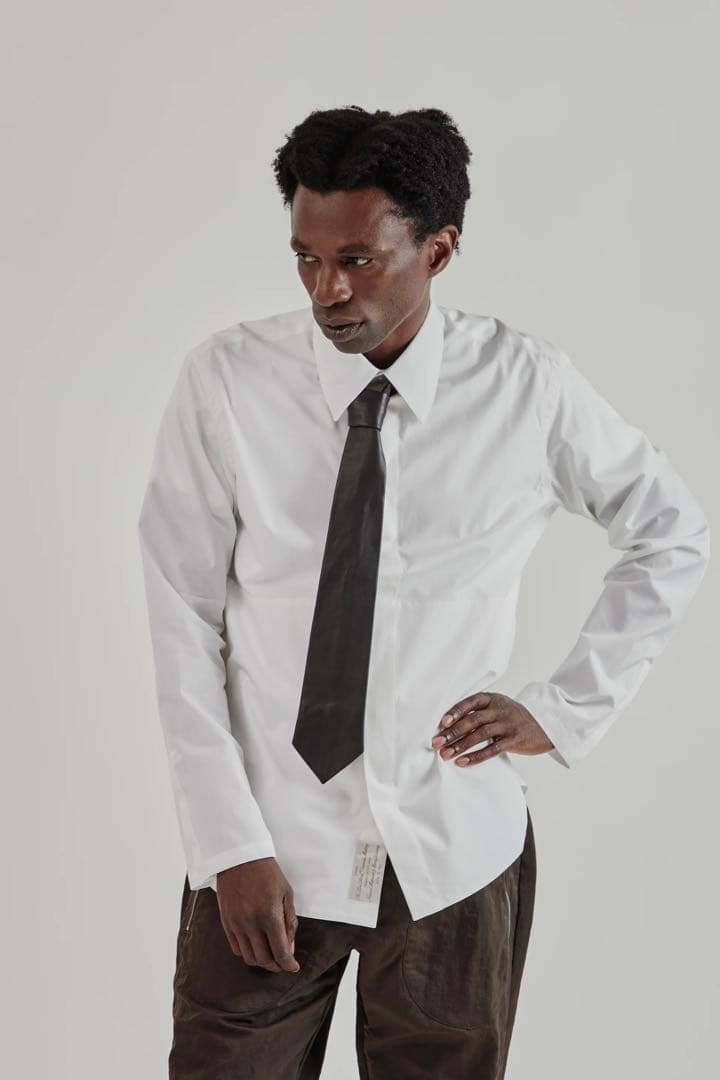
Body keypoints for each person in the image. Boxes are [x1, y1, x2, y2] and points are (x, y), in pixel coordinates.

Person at [137, 106, 710, 1079]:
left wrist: (564, 708)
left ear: (437, 250)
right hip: (269, 850)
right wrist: (227, 844)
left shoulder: (527, 388)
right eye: (307, 258)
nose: (327, 289)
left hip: (452, 857)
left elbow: (670, 531)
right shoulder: (227, 385)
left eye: (358, 260)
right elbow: (180, 620)